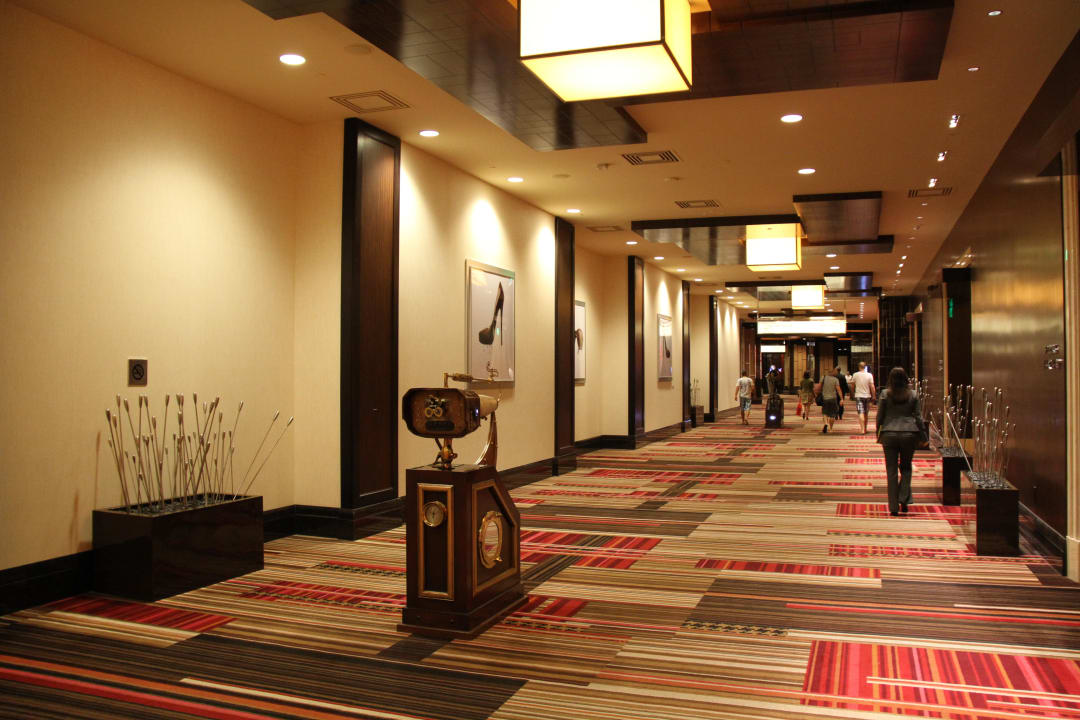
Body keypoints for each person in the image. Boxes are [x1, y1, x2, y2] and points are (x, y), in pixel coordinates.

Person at [876, 367, 923, 516]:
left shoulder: (885, 394)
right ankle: (903, 498)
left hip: (889, 434)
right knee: (906, 468)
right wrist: (923, 435)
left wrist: (878, 432)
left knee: (891, 470)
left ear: (890, 379)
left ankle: (893, 507)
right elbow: (918, 417)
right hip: (909, 434)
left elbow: (880, 417)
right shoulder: (913, 394)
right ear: (906, 379)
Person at [851, 361, 877, 434]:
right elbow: (872, 386)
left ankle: (862, 430)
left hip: (859, 396)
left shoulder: (855, 375)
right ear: (865, 367)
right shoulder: (869, 375)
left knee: (861, 412)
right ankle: (865, 428)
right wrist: (874, 396)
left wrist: (852, 393)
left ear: (859, 367)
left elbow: (852, 386)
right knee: (866, 413)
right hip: (867, 396)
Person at [818, 367, 841, 433]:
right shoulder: (836, 379)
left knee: (825, 412)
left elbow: (819, 387)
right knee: (832, 414)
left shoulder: (823, 377)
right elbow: (838, 389)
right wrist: (841, 398)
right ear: (833, 372)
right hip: (833, 398)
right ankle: (831, 429)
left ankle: (826, 423)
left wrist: (817, 394)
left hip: (825, 398)